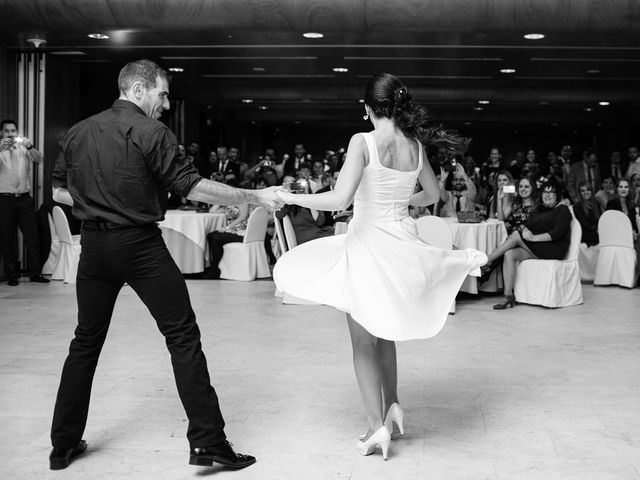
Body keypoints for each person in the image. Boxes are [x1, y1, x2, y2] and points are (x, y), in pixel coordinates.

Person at [49, 59, 283, 471]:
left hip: (95, 248)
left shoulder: (78, 131)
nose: (166, 103)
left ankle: (63, 444)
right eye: (162, 93)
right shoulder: (151, 131)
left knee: (85, 341)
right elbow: (191, 185)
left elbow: (58, 192)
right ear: (139, 90)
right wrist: (254, 195)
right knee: (182, 336)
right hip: (139, 246)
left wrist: (94, 203)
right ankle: (208, 443)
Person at [273, 73, 486, 460]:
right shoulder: (415, 145)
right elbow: (434, 195)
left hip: (368, 246)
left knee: (362, 341)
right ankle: (394, 406)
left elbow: (339, 198)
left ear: (368, 107)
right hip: (400, 242)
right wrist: (400, 203)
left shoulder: (363, 141)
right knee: (385, 332)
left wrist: (290, 196)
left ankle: (375, 429)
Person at [481, 178, 572, 310]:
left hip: (554, 248)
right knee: (509, 253)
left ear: (557, 195)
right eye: (545, 192)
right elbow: (528, 224)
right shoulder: (541, 209)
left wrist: (534, 238)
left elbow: (556, 234)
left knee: (516, 235)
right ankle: (508, 295)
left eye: (551, 192)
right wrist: (525, 230)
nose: (547, 195)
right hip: (541, 248)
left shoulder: (563, 210)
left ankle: (486, 261)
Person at [0, 119, 49, 286]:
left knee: (32, 236)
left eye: (13, 131)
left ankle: (35, 273)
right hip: (4, 199)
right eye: (6, 131)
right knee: (8, 238)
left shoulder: (23, 147)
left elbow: (39, 158)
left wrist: (30, 146)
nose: (10, 134)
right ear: (1, 133)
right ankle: (11, 275)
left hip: (24, 198)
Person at [573, 181, 602, 246]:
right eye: (582, 191)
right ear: (580, 193)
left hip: (597, 232)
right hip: (586, 235)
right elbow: (585, 225)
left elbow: (601, 219)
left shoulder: (596, 203)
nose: (585, 193)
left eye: (588, 190)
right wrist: (597, 229)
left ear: (591, 191)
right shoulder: (577, 206)